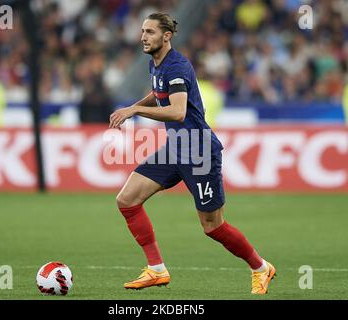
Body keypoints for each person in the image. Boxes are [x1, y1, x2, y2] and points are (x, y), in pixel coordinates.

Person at [109, 13, 276, 294]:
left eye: (149, 32)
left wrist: (134, 110)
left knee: (213, 227)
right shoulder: (156, 64)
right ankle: (156, 269)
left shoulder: (176, 67)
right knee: (127, 199)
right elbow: (158, 93)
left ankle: (261, 267)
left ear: (166, 36)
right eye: (142, 31)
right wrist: (134, 105)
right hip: (176, 148)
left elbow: (177, 111)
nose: (143, 37)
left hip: (199, 150)